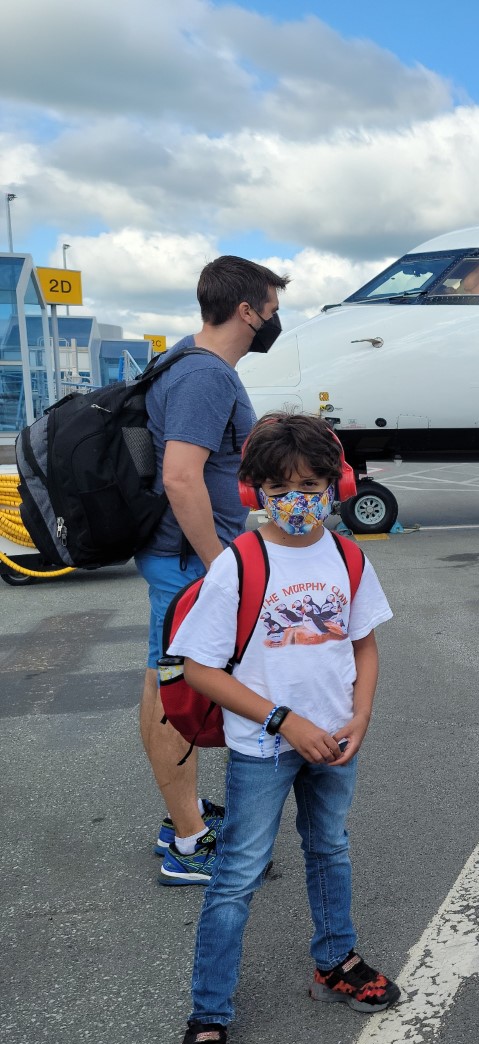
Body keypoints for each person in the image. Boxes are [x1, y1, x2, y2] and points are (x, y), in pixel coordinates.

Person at [169, 413, 400, 1044]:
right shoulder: (240, 564)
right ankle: (208, 1015)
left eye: (312, 484)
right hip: (264, 748)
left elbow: (363, 642)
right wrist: (283, 722)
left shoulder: (348, 555)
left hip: (335, 741)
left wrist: (361, 715)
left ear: (337, 484)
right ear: (254, 490)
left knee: (330, 848)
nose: (298, 500)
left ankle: (338, 960)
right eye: (281, 486)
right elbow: (199, 668)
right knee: (237, 876)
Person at [138, 255, 290, 885]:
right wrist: (219, 567)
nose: (276, 319)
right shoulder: (207, 377)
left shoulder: (182, 359)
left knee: (168, 681)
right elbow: (181, 475)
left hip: (176, 556)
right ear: (246, 310)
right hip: (187, 562)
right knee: (174, 689)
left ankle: (186, 816)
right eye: (273, 308)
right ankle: (187, 840)